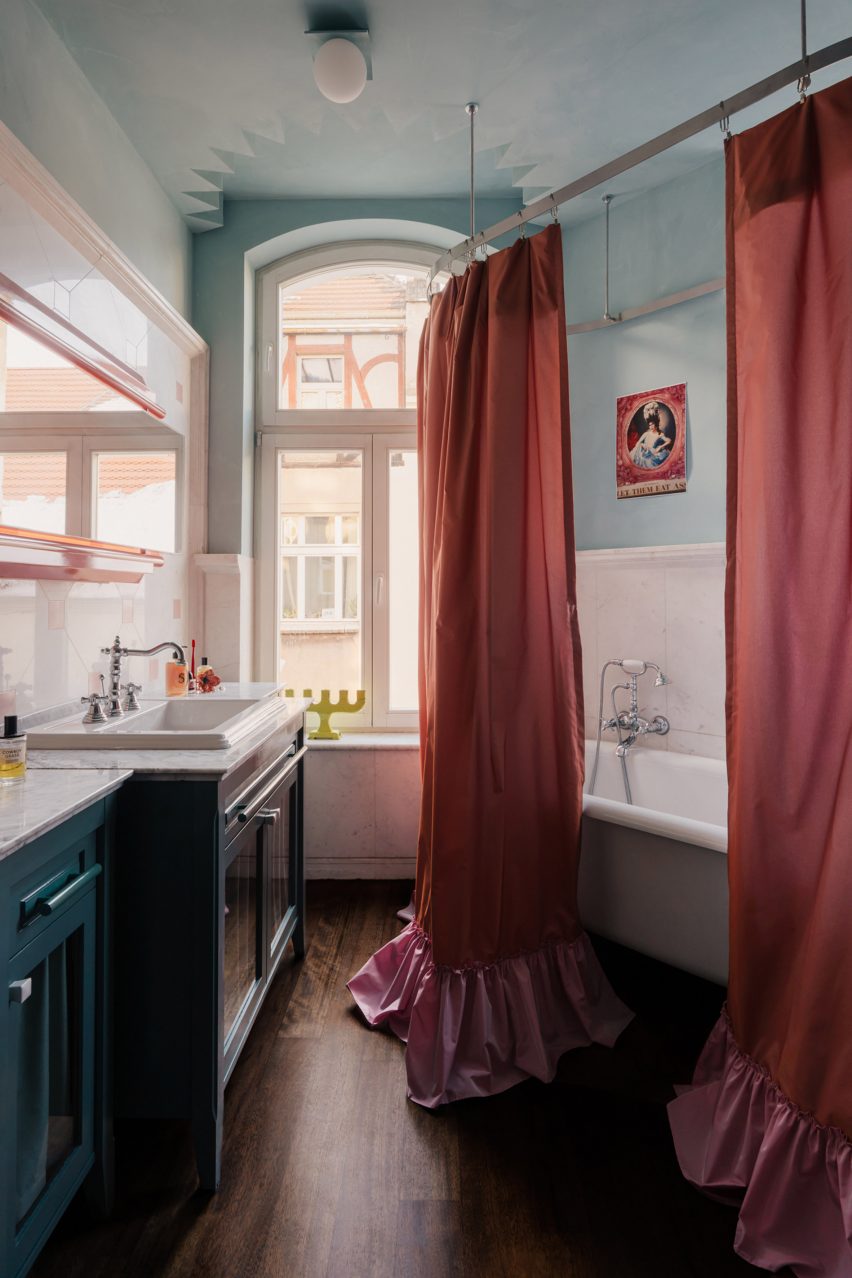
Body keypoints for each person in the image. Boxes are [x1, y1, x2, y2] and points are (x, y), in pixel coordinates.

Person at [630, 401, 673, 469]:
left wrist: (660, 446)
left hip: (654, 454)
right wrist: (642, 446)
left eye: (652, 424)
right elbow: (638, 442)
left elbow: (669, 440)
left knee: (665, 454)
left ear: (655, 424)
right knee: (643, 458)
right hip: (646, 453)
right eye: (649, 425)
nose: (651, 427)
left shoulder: (660, 434)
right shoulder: (646, 433)